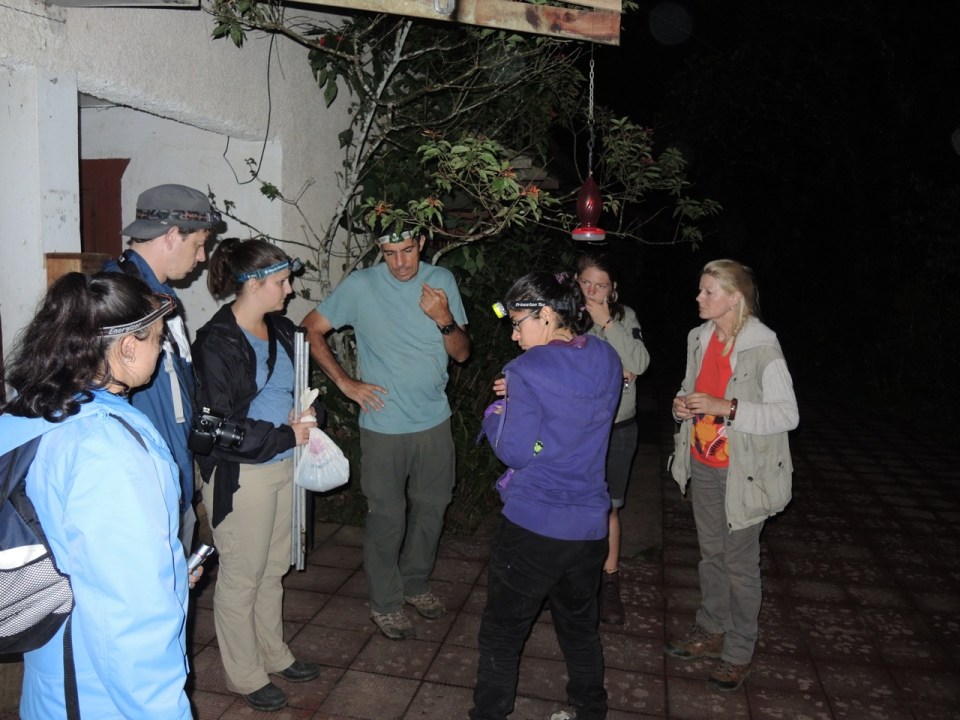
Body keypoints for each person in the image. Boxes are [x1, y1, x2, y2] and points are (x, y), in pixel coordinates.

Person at [1, 272, 192, 718]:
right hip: (98, 688)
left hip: (51, 664)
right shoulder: (107, 448)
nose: (161, 349)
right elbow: (129, 610)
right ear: (127, 347)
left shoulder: (31, 412)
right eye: (157, 339)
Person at [301, 229, 470, 640]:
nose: (400, 263)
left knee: (433, 508)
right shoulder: (361, 285)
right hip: (383, 425)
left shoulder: (441, 281)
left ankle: (414, 583)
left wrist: (444, 319)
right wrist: (344, 383)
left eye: (407, 250)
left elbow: (463, 352)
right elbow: (309, 329)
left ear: (422, 243)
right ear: (381, 251)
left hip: (434, 420)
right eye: (390, 253)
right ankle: (386, 602)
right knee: (387, 517)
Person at [470, 272, 622, 720]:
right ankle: (590, 709)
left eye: (519, 323)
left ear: (549, 314)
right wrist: (522, 400)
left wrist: (499, 410)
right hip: (590, 527)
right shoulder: (606, 356)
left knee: (502, 632)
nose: (514, 335)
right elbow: (572, 413)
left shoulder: (525, 369)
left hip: (534, 525)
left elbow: (516, 451)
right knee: (578, 627)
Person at [191, 238, 320, 712]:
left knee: (272, 570)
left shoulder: (282, 329)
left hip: (284, 465)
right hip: (241, 476)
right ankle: (245, 674)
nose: (289, 289)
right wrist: (287, 435)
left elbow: (299, 387)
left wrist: (310, 412)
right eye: (282, 282)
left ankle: (275, 653)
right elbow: (214, 426)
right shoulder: (216, 341)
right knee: (241, 577)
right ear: (253, 284)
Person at [664, 259, 799, 692]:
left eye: (708, 292)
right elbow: (689, 391)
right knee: (711, 555)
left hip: (745, 473)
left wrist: (728, 408)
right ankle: (711, 627)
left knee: (740, 565)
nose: (698, 298)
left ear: (734, 298)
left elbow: (787, 415)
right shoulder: (698, 338)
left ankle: (739, 650)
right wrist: (681, 406)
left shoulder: (763, 347)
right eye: (700, 290)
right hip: (704, 462)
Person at [103, 183, 223, 553]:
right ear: (172, 235)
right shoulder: (119, 302)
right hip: (142, 488)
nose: (202, 257)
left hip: (171, 478)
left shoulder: (162, 299)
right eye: (198, 244)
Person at [577, 252, 650, 625]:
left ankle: (609, 582)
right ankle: (573, 578)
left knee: (609, 507)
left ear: (613, 290)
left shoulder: (624, 317)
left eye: (601, 285)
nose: (592, 291)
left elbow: (639, 363)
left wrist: (607, 323)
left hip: (618, 428)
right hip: (575, 430)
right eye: (586, 282)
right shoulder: (567, 316)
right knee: (572, 503)